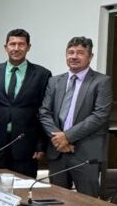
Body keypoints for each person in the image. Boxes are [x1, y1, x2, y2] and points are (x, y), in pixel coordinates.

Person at [39, 37, 112, 197]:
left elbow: (99, 116)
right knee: (56, 202)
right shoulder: (54, 81)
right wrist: (59, 139)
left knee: (88, 204)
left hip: (85, 153)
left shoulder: (101, 81)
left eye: (80, 53)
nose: (74, 56)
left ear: (90, 57)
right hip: (58, 151)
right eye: (70, 52)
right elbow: (44, 112)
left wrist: (68, 136)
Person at [0, 29, 52, 178]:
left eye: (21, 44)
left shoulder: (42, 75)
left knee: (22, 189)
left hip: (26, 144)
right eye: (12, 44)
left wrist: (41, 144)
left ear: (28, 47)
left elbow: (44, 111)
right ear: (5, 47)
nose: (16, 48)